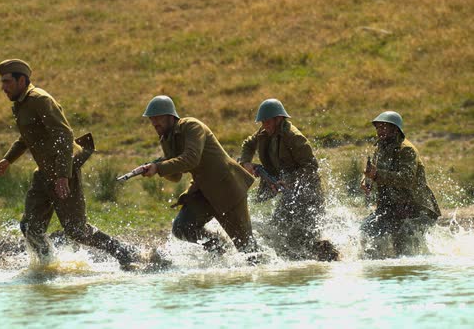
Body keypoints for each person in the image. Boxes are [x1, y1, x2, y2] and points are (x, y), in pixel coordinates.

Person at [0, 59, 145, 268]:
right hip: (43, 173)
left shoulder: (40, 100)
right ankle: (48, 266)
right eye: (2, 82)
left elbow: (64, 134)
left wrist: (63, 175)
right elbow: (28, 136)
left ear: (22, 80)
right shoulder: (21, 104)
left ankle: (124, 252)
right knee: (30, 227)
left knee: (76, 230)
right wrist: (8, 159)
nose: (3, 88)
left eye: (7, 82)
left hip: (64, 169)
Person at [141, 95, 259, 255]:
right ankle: (220, 251)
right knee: (182, 227)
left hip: (228, 190)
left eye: (158, 118)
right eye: (151, 119)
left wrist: (159, 167)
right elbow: (176, 176)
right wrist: (154, 168)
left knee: (248, 250)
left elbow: (191, 159)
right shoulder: (166, 138)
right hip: (204, 192)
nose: (154, 123)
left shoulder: (191, 126)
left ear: (170, 116)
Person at [239, 98, 338, 261]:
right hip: (288, 194)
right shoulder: (264, 133)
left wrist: (290, 181)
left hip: (308, 196)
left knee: (307, 237)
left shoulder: (295, 137)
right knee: (280, 230)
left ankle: (332, 257)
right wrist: (246, 162)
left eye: (268, 122)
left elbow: (311, 167)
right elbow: (248, 144)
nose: (264, 125)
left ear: (279, 119)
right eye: (262, 122)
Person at [360, 111, 440, 258]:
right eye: (378, 127)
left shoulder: (407, 150)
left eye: (384, 127)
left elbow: (407, 179)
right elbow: (372, 172)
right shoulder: (380, 148)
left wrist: (377, 175)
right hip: (391, 206)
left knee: (404, 247)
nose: (379, 131)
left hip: (415, 208)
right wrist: (367, 181)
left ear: (395, 130)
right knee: (365, 230)